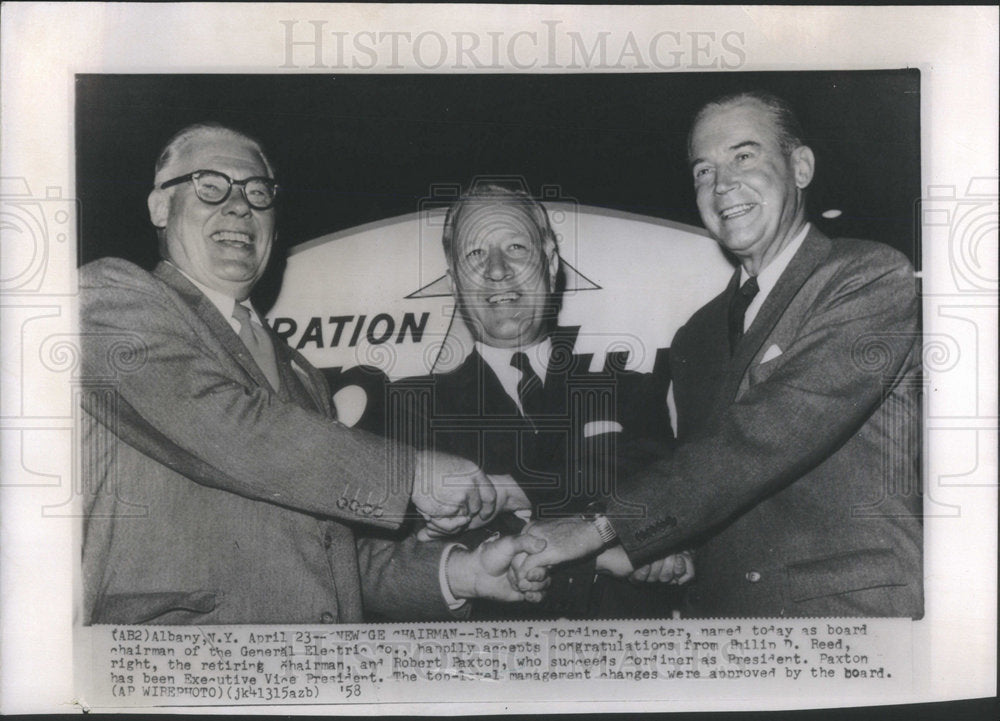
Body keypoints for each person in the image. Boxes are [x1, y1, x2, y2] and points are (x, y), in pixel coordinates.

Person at [79, 123, 547, 625]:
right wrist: (409, 473)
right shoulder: (109, 296)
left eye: (257, 192)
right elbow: (229, 428)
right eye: (210, 185)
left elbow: (329, 554)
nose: (239, 206)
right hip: (174, 675)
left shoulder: (301, 373)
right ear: (159, 206)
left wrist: (462, 573)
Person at [515, 91, 923, 618]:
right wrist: (660, 550)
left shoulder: (866, 278)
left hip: (847, 617)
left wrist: (599, 527)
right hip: (729, 621)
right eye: (703, 170)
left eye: (744, 156)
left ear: (800, 167)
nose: (722, 183)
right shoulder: (696, 336)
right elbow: (707, 478)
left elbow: (768, 435)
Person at [357, 184, 693, 619]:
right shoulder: (405, 407)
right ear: (455, 277)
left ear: (551, 263)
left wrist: (506, 492)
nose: (497, 270)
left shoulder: (628, 389)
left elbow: (660, 485)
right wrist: (603, 552)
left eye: (515, 247)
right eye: (476, 254)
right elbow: (410, 554)